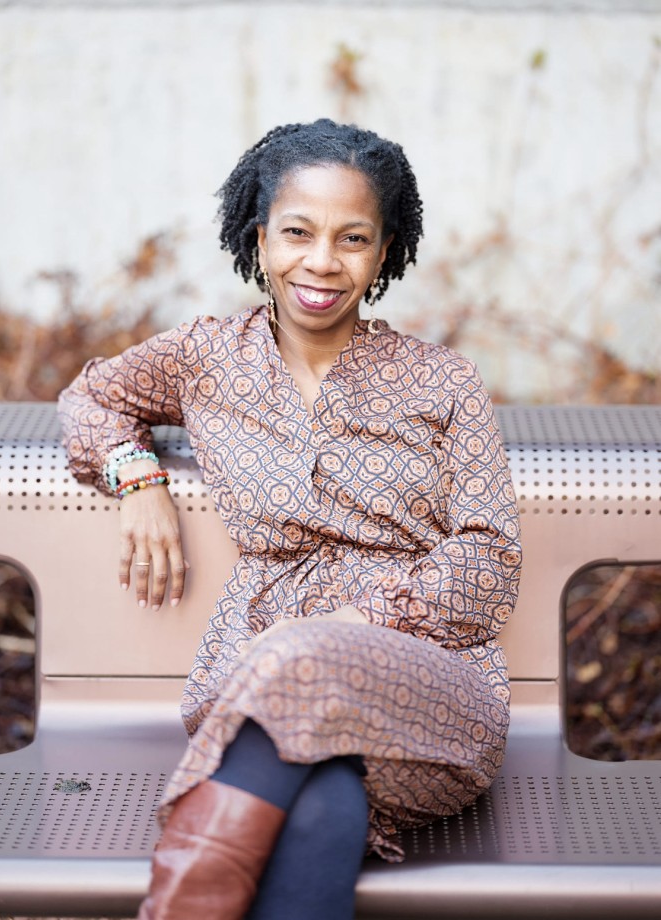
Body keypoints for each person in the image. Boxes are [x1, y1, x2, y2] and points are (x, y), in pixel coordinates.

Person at [58, 118, 522, 920]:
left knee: (303, 660)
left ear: (384, 253)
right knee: (318, 811)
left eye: (353, 238)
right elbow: (90, 397)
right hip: (265, 693)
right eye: (298, 232)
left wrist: (349, 623)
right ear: (259, 237)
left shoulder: (444, 382)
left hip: (427, 697)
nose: (321, 261)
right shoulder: (206, 360)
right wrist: (139, 482)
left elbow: (491, 561)